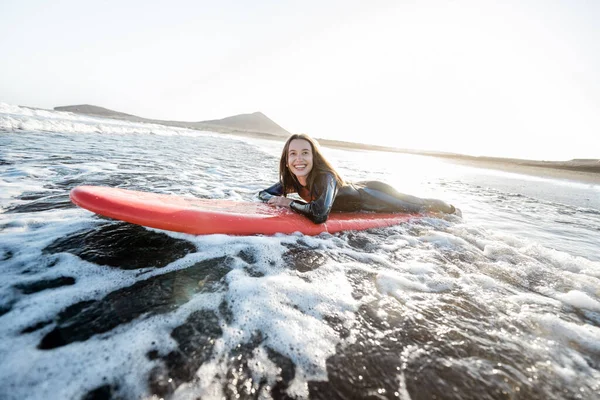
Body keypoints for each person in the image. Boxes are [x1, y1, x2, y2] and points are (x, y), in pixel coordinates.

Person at [258, 133, 461, 224]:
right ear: (286, 160)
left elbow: (319, 216)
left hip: (375, 196)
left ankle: (452, 209)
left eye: (305, 153)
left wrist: (288, 203)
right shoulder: (292, 181)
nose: (298, 159)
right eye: (292, 154)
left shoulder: (324, 177)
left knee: (418, 205)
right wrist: (273, 199)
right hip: (357, 187)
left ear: (313, 157)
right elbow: (263, 193)